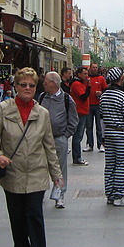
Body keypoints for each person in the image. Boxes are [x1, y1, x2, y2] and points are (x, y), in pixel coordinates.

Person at [0, 67, 63, 247]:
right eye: (23, 85)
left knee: (35, 216)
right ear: (16, 86)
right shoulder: (3, 109)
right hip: (13, 172)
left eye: (31, 85)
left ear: (36, 88)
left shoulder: (42, 113)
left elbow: (49, 146)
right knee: (17, 217)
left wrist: (57, 175)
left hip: (36, 171)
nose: (27, 88)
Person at [38, 71, 78, 209]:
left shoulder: (66, 99)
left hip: (59, 138)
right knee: (41, 166)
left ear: (53, 83)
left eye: (46, 81)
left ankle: (60, 195)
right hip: (42, 139)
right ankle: (40, 192)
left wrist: (66, 135)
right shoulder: (42, 96)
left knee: (60, 168)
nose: (43, 83)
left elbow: (73, 119)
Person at [101, 67, 124, 206]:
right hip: (120, 134)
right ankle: (119, 196)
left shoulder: (104, 95)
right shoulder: (123, 97)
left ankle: (110, 194)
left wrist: (103, 137)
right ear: (121, 79)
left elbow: (102, 119)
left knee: (110, 164)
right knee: (122, 165)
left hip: (109, 133)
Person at [69, 67, 91, 166]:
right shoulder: (77, 84)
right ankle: (77, 158)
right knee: (78, 136)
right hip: (79, 112)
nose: (86, 76)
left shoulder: (80, 83)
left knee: (79, 135)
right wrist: (89, 87)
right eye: (84, 74)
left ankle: (77, 157)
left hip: (83, 111)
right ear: (79, 74)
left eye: (87, 74)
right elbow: (83, 96)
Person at [87, 63, 107, 152]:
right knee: (89, 126)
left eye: (96, 67)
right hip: (88, 105)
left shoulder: (101, 78)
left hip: (99, 105)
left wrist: (101, 93)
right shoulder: (87, 79)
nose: (95, 69)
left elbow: (105, 90)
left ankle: (101, 144)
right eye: (93, 67)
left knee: (99, 126)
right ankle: (90, 144)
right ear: (90, 68)